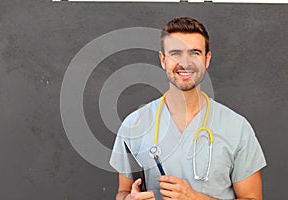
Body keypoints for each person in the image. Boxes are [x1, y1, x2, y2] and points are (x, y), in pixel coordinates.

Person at [109, 16, 266, 200]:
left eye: (194, 53)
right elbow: (123, 192)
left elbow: (253, 197)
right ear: (163, 60)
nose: (185, 62)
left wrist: (193, 197)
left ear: (207, 59)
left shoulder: (237, 128)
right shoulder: (134, 125)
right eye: (175, 53)